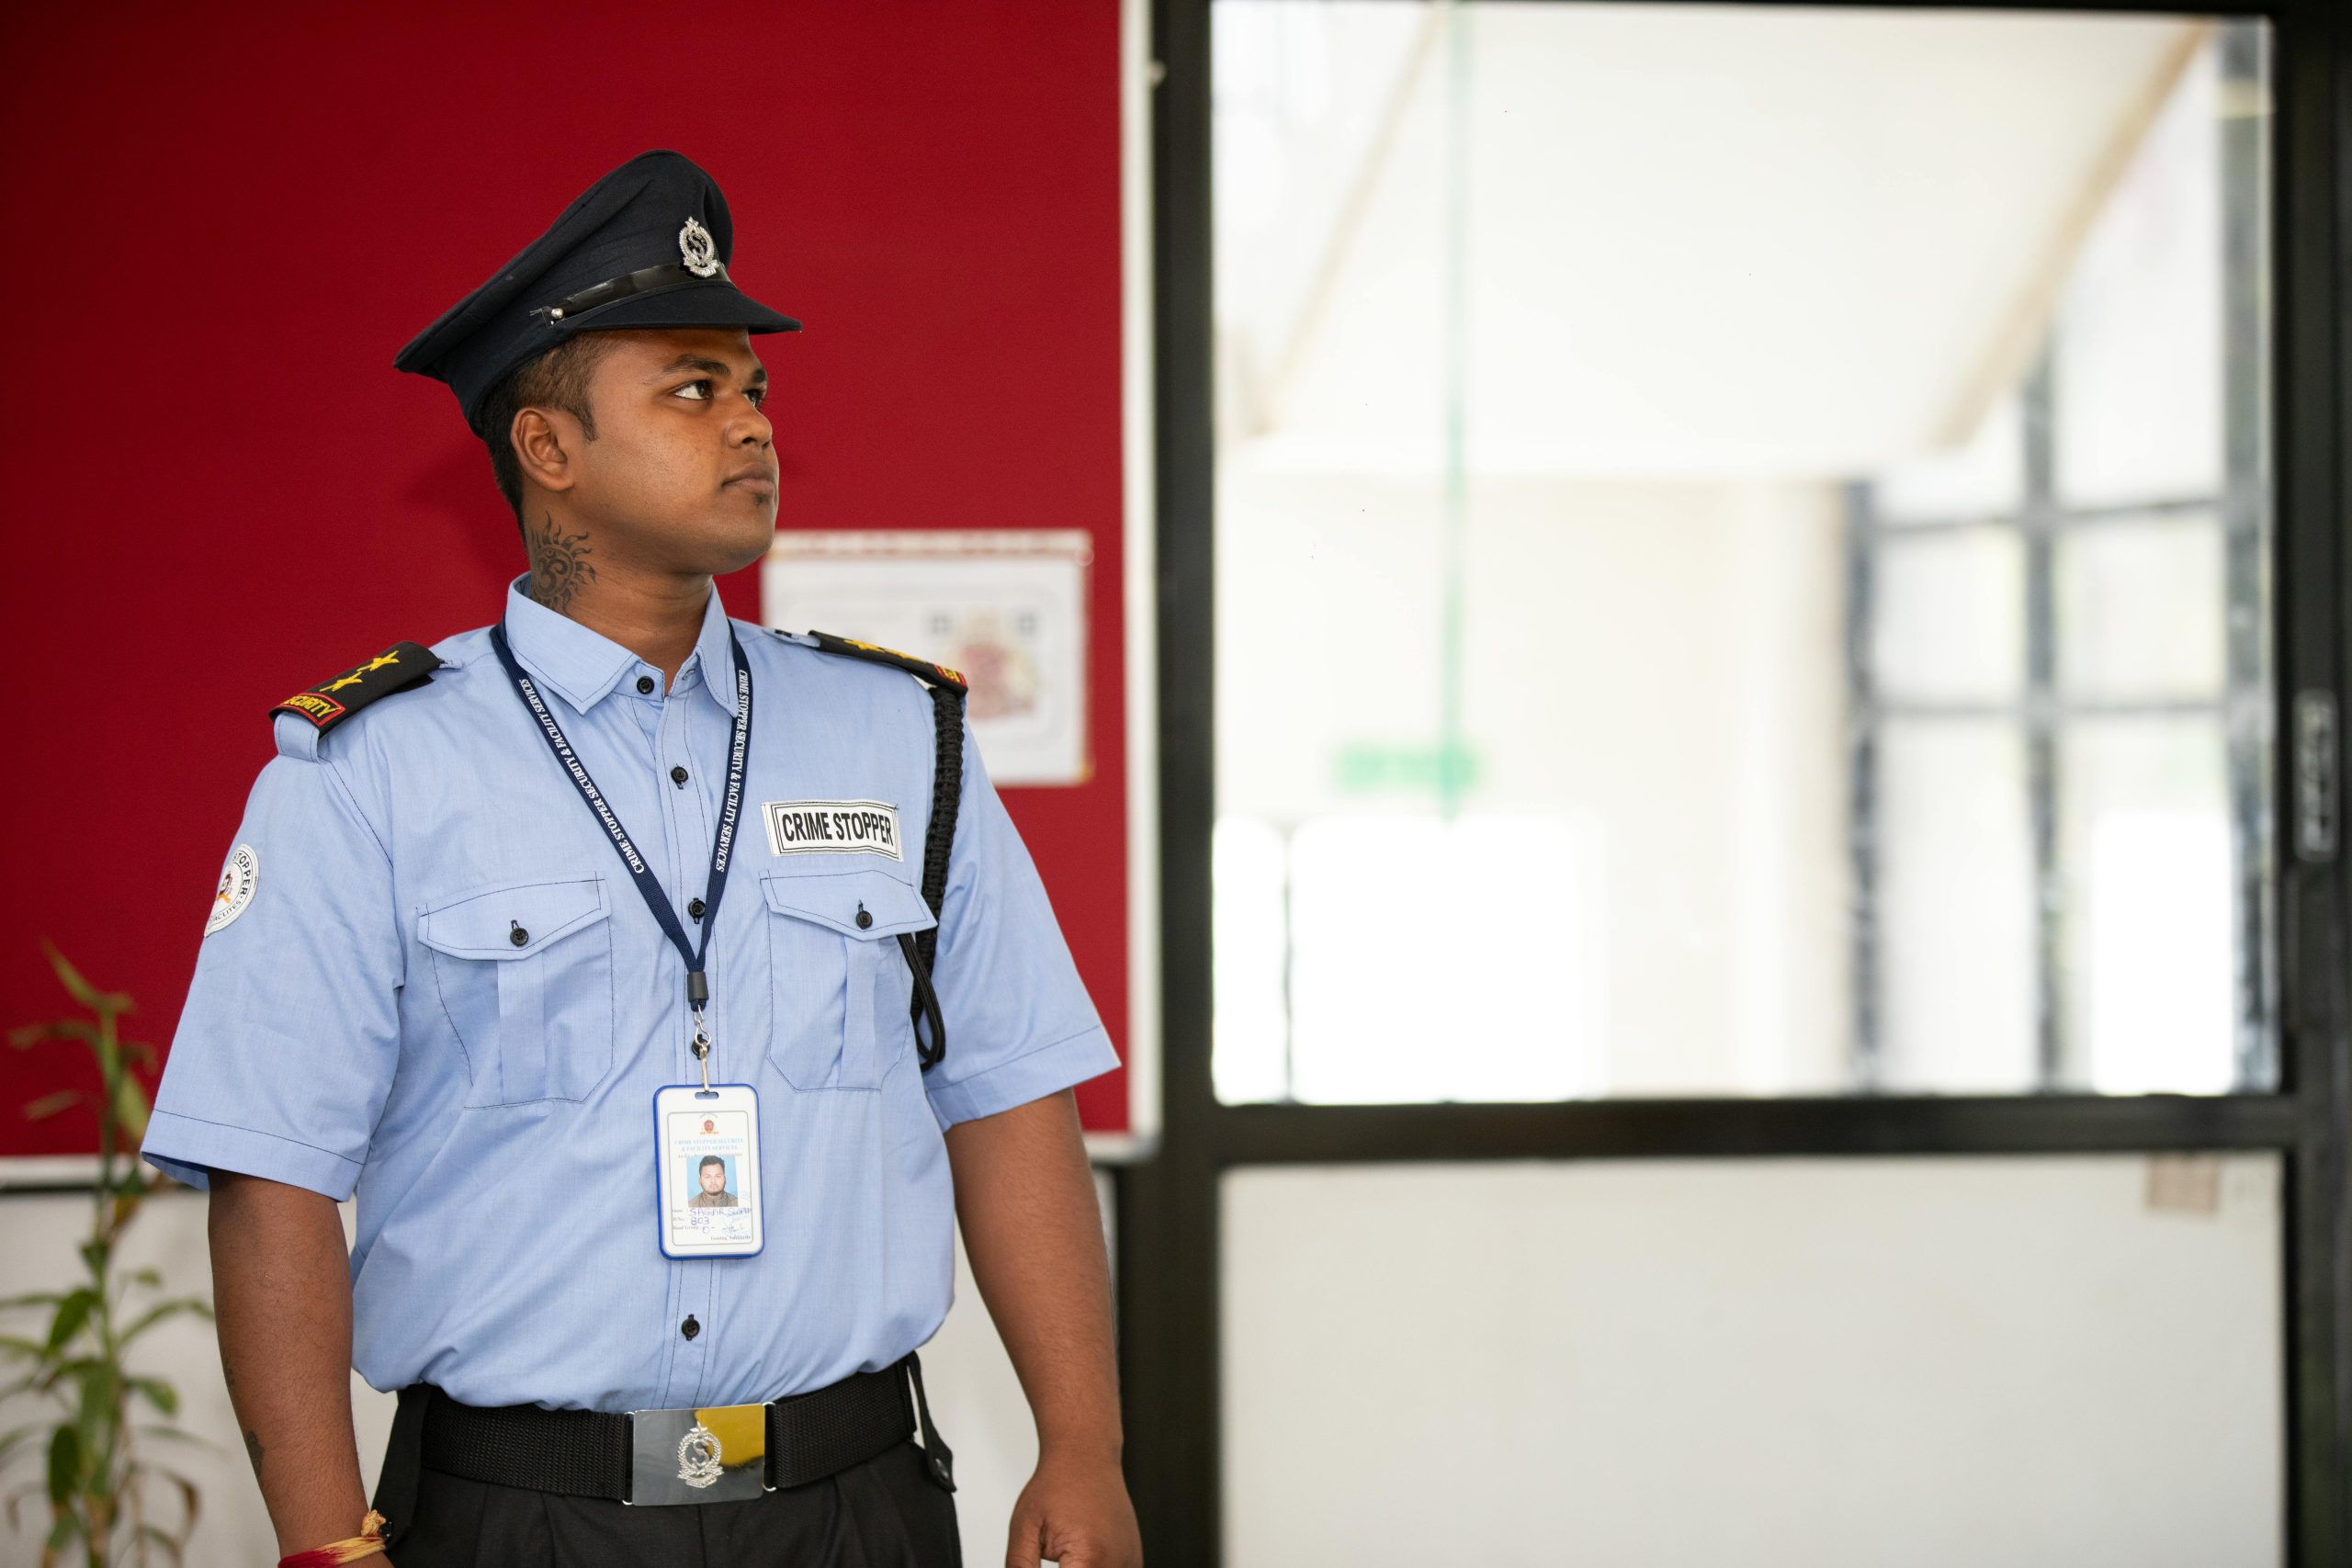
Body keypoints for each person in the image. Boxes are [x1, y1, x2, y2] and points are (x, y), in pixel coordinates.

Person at [143, 150, 1142, 1568]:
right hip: (513, 1517)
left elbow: (1009, 1096)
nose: (750, 426)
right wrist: (318, 1545)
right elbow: (272, 1180)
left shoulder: (898, 739)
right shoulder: (370, 773)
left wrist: (1083, 1444)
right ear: (549, 450)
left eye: (755, 391)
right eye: (692, 389)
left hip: (855, 1506)